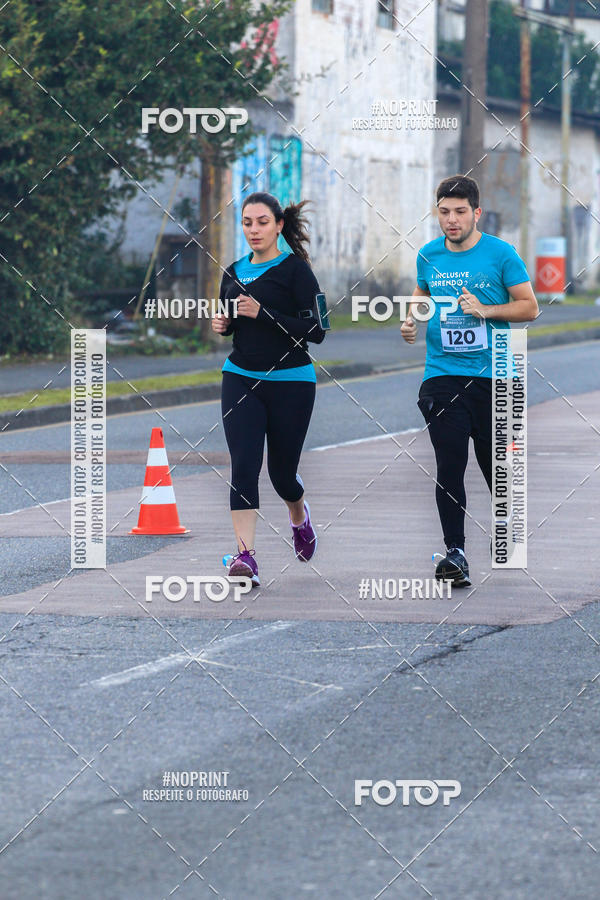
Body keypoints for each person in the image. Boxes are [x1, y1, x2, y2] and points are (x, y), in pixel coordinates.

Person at [401, 174, 538, 586]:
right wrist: (412, 320)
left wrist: (486, 310)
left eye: (460, 212)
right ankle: (455, 553)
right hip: (442, 376)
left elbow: (529, 307)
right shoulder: (428, 255)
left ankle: (509, 532)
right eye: (444, 212)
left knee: (494, 468)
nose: (452, 219)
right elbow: (421, 294)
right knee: (450, 463)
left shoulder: (501, 254)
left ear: (476, 213)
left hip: (495, 374)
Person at [211, 191, 326, 587]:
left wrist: (266, 313)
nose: (254, 230)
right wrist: (224, 324)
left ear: (279, 225)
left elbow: (318, 330)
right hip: (241, 377)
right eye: (247, 222)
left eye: (262, 222)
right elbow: (231, 319)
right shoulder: (232, 271)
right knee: (244, 467)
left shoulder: (297, 271)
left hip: (292, 382)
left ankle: (299, 514)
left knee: (282, 476)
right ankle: (245, 557)